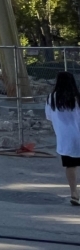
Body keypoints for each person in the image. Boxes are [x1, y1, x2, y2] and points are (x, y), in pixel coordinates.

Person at [45, 71, 80, 205]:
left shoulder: (51, 98)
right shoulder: (77, 97)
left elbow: (48, 116)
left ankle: (74, 194)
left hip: (65, 138)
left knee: (70, 166)